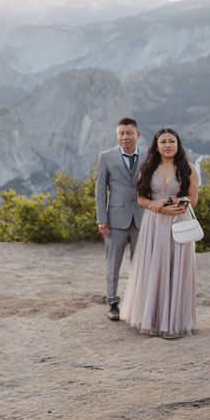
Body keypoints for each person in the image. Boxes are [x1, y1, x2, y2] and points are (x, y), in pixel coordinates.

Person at [122, 128, 199, 339]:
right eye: (163, 141)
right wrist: (159, 206)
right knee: (153, 267)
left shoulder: (189, 169)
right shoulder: (148, 168)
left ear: (178, 144)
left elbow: (192, 200)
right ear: (156, 146)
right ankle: (152, 318)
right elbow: (141, 199)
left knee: (176, 269)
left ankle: (174, 321)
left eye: (171, 141)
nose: (167, 145)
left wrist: (168, 203)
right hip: (154, 224)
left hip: (178, 222)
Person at [95, 117, 144, 321]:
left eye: (129, 133)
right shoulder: (107, 157)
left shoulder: (149, 156)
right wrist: (101, 219)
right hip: (115, 219)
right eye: (122, 133)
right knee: (113, 264)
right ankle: (113, 302)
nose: (126, 137)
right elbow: (100, 190)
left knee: (141, 263)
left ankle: (139, 302)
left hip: (142, 218)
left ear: (137, 135)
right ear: (117, 136)